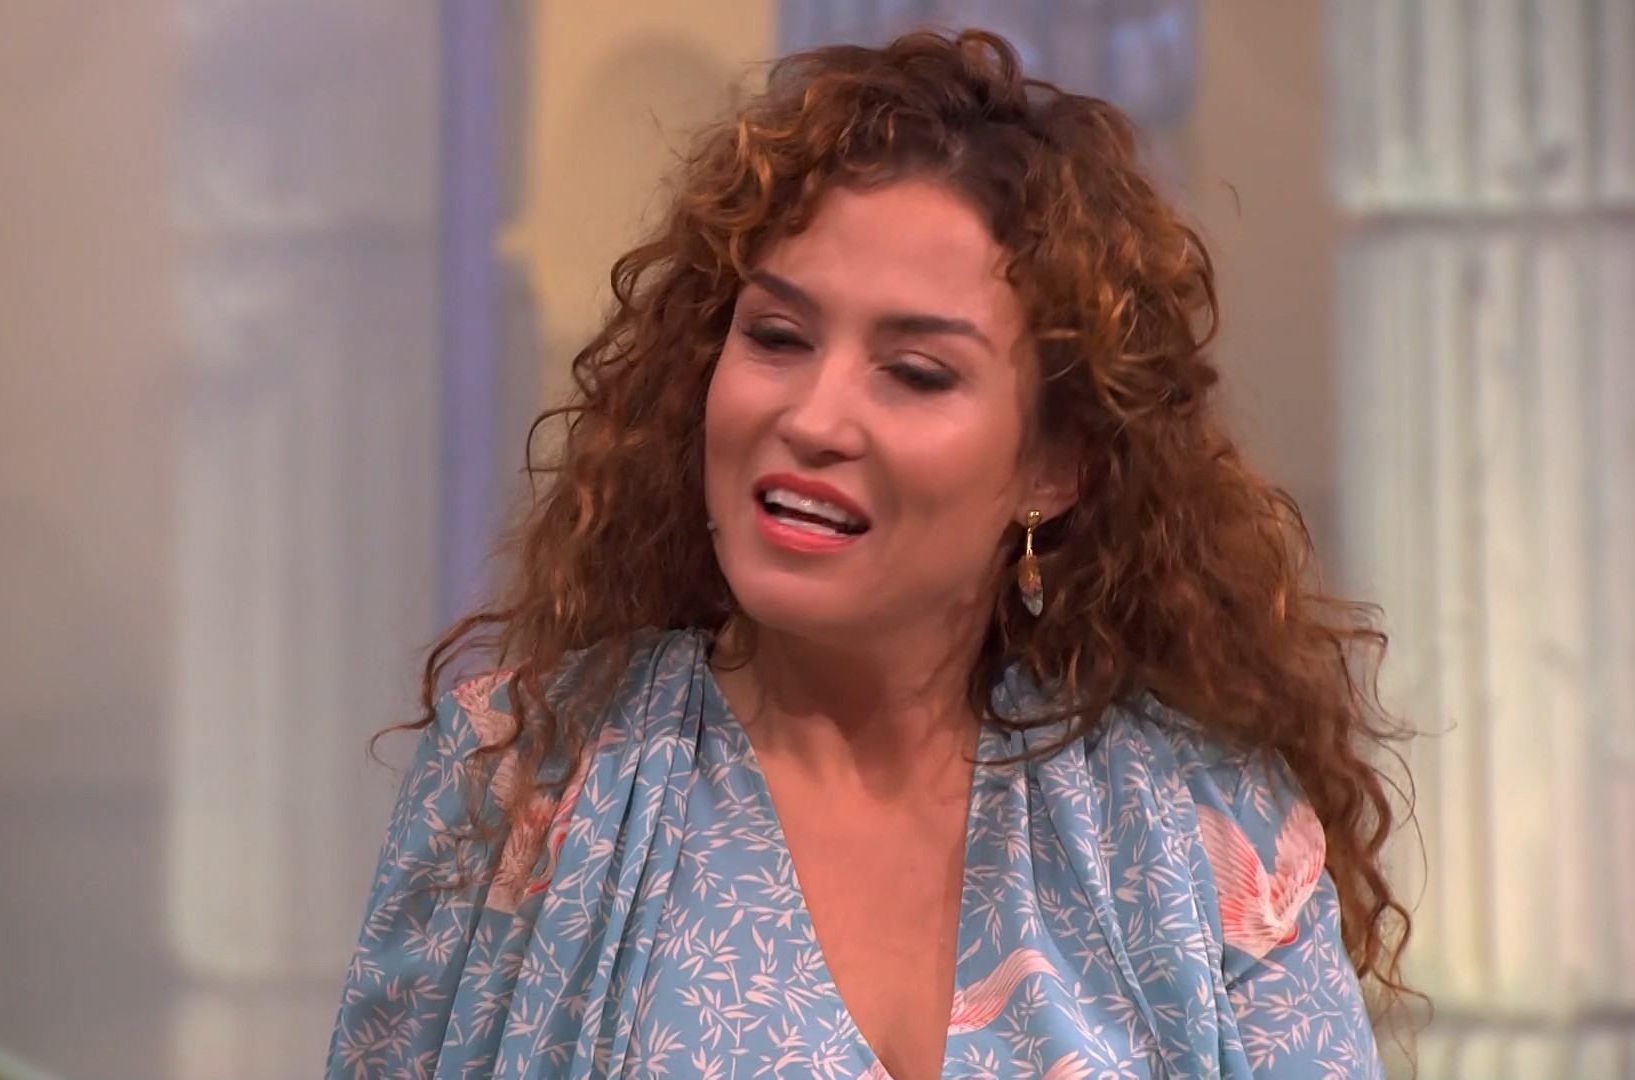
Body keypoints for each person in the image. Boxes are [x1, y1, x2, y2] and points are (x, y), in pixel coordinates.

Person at [325, 28, 1412, 1080]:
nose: (813, 418)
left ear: (1055, 466)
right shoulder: (521, 779)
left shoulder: (1200, 824)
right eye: (777, 337)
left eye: (917, 372)